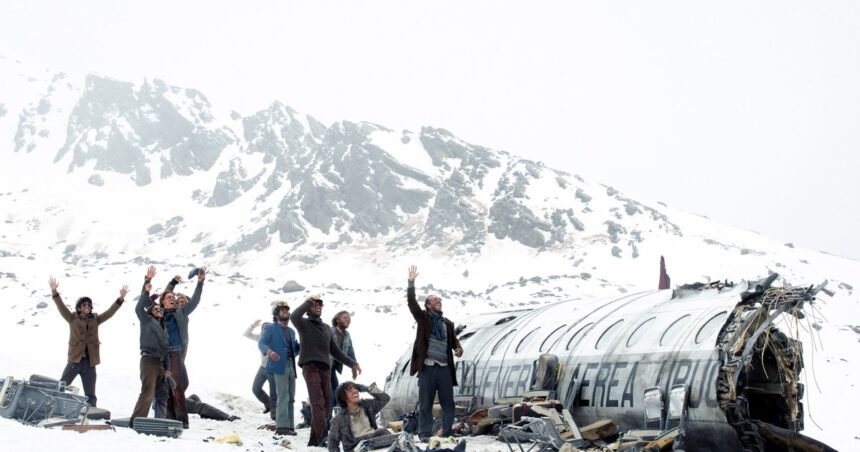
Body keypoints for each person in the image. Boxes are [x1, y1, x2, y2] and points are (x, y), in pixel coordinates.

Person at [291, 295, 362, 447]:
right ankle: (324, 437)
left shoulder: (325, 329)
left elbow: (335, 351)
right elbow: (294, 315)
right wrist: (308, 301)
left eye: (320, 305)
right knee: (317, 403)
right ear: (309, 309)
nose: (317, 306)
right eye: (314, 305)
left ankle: (315, 440)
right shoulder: (303, 323)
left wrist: (352, 363)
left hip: (325, 369)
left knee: (328, 405)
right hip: (310, 366)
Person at [49, 277, 127, 407]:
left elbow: (110, 312)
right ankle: (51, 406)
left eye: (89, 305)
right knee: (61, 386)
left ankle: (91, 413)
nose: (87, 306)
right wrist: (54, 292)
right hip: (75, 360)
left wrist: (120, 299)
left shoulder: (95, 319)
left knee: (90, 393)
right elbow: (61, 306)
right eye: (84, 305)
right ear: (79, 308)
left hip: (90, 362)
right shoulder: (71, 318)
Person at [406, 265, 463, 439]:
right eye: (434, 300)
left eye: (440, 299)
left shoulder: (447, 323)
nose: (438, 301)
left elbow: (453, 341)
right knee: (426, 404)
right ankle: (424, 434)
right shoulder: (423, 318)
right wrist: (411, 283)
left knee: (448, 403)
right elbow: (411, 303)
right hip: (428, 367)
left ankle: (447, 432)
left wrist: (458, 348)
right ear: (427, 305)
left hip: (444, 368)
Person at [153, 268, 206, 426]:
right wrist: (172, 283)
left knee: (177, 387)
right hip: (162, 355)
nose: (172, 298)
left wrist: (200, 282)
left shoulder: (181, 312)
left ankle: (182, 421)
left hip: (175, 353)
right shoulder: (159, 312)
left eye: (173, 297)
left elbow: (195, 300)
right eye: (169, 297)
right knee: (165, 388)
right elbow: (163, 296)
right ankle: (169, 419)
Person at [130, 266, 171, 424]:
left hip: (160, 363)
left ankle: (159, 422)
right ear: (151, 311)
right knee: (147, 392)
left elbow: (166, 350)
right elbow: (140, 306)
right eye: (156, 308)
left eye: (161, 309)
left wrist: (167, 369)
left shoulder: (163, 328)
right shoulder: (146, 321)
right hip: (148, 361)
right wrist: (147, 282)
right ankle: (136, 421)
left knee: (162, 395)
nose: (159, 310)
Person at [258, 301, 301, 435]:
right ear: (276, 314)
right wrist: (270, 352)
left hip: (291, 365)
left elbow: (295, 350)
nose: (285, 312)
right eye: (282, 310)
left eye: (286, 310)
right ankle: (282, 427)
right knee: (283, 395)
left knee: (291, 397)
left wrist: (301, 346)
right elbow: (261, 343)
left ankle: (290, 426)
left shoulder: (292, 331)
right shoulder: (270, 328)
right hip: (278, 366)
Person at [327, 382, 391, 452]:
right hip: (356, 447)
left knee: (384, 433)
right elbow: (332, 442)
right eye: (350, 390)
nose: (355, 391)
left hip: (374, 441)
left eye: (355, 388)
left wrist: (368, 388)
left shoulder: (367, 405)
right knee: (381, 432)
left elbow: (385, 399)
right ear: (343, 397)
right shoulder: (338, 418)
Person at [244, 318, 277, 418]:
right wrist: (253, 325)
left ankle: (274, 413)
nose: (265, 330)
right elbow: (246, 334)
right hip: (262, 367)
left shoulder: (275, 338)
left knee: (273, 392)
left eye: (267, 328)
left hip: (273, 368)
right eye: (263, 328)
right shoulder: (260, 338)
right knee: (256, 389)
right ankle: (268, 404)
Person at [330, 311, 357, 412]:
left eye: (349, 318)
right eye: (345, 318)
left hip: (333, 368)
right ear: (337, 320)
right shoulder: (329, 331)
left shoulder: (347, 335)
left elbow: (350, 351)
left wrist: (354, 366)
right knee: (330, 393)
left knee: (336, 391)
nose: (348, 320)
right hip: (324, 366)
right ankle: (326, 420)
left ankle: (334, 417)